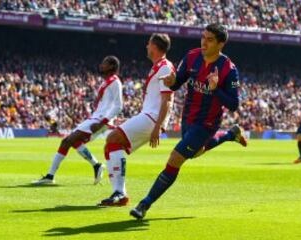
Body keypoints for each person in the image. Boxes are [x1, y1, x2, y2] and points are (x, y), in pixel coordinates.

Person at [130, 23, 247, 219]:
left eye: (210, 40)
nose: (204, 42)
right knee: (195, 153)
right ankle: (229, 135)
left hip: (207, 124)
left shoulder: (229, 70)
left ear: (221, 44)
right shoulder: (192, 56)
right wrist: (171, 82)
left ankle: (144, 204)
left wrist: (216, 88)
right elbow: (177, 83)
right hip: (188, 118)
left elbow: (234, 104)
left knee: (175, 158)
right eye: (203, 37)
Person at [98, 33, 175, 206]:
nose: (146, 47)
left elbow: (167, 100)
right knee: (112, 145)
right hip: (149, 116)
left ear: (154, 46)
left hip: (153, 118)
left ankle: (120, 193)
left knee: (112, 139)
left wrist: (158, 127)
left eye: (148, 44)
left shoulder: (165, 67)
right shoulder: (158, 67)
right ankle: (119, 193)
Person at [32, 56, 123, 185]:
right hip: (95, 118)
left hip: (100, 121)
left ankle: (50, 176)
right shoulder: (106, 82)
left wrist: (102, 123)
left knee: (67, 141)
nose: (101, 65)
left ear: (112, 66)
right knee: (73, 141)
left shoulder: (115, 82)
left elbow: (119, 106)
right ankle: (96, 166)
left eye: (104, 63)